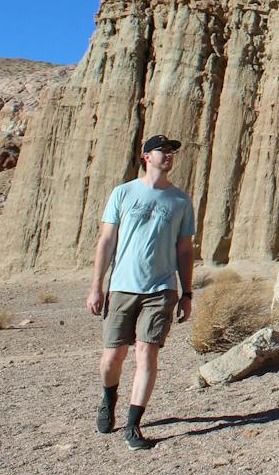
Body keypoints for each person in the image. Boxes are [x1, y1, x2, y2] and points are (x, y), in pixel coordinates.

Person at [85, 134, 195, 451]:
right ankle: (108, 398)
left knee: (147, 352)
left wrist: (186, 292)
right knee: (112, 357)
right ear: (146, 156)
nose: (169, 155)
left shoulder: (180, 200)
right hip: (121, 286)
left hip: (161, 288)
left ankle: (133, 425)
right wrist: (97, 286)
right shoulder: (123, 193)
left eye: (172, 151)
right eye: (163, 150)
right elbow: (106, 242)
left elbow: (185, 249)